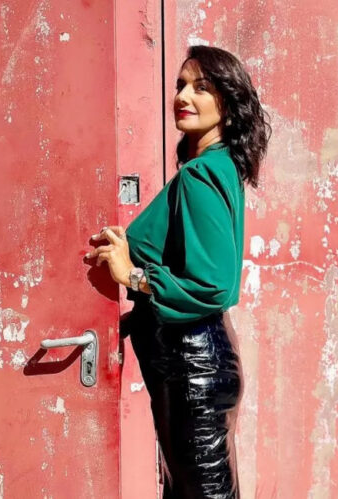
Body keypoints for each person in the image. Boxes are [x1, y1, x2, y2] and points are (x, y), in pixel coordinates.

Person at [84, 45, 271, 498]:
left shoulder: (200, 176)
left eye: (201, 88)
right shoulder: (218, 167)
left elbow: (213, 284)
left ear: (227, 103)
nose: (183, 97)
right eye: (181, 86)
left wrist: (133, 276)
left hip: (194, 369)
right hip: (198, 363)